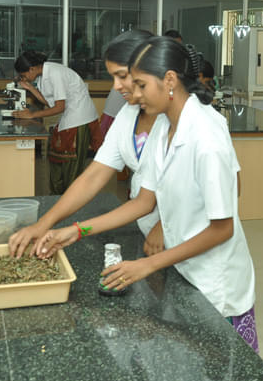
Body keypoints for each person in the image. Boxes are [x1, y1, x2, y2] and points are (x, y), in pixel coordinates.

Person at [35, 37, 257, 351]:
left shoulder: (206, 137)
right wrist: (76, 230)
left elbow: (223, 228)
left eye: (138, 83)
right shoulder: (165, 126)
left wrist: (147, 265)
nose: (131, 93)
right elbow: (143, 201)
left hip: (215, 280)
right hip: (181, 264)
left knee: (222, 372)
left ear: (169, 79)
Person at [9, 33, 160, 258]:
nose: (116, 87)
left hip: (191, 249)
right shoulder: (128, 115)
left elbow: (219, 207)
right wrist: (47, 224)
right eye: (113, 78)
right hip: (147, 231)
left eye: (122, 76)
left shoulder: (189, 121)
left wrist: (162, 228)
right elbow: (94, 176)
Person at [13, 51, 103, 194]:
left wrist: (32, 115)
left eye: (24, 75)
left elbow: (59, 107)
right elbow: (49, 103)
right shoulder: (43, 75)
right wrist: (30, 88)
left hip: (79, 120)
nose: (24, 78)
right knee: (57, 162)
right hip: (68, 120)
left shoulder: (55, 73)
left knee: (71, 168)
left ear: (32, 69)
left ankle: (70, 201)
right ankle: (58, 199)